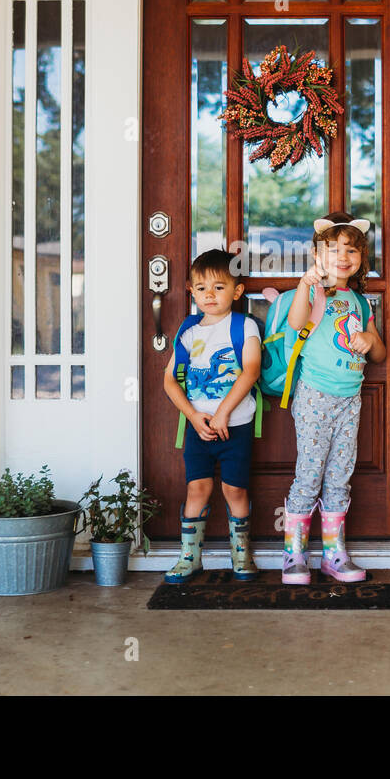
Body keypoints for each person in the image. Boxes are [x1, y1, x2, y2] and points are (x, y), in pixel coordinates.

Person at [282, 213, 386, 584]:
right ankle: (294, 557)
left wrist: (370, 340)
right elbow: (296, 323)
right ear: (317, 254)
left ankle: (334, 556)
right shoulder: (313, 291)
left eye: (351, 250)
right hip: (314, 396)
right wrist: (303, 284)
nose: (343, 256)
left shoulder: (360, 301)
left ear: (361, 257)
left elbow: (379, 354)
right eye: (334, 249)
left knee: (340, 477)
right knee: (309, 475)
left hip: (349, 400)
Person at [162, 248, 261, 583]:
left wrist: (222, 413)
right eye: (201, 287)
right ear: (191, 291)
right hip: (198, 429)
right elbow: (169, 379)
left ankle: (242, 555)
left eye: (219, 287)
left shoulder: (244, 326)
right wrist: (192, 415)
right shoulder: (188, 331)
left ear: (237, 291)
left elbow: (249, 372)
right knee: (197, 488)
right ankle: (190, 557)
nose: (209, 294)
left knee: (235, 490)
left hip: (236, 426)